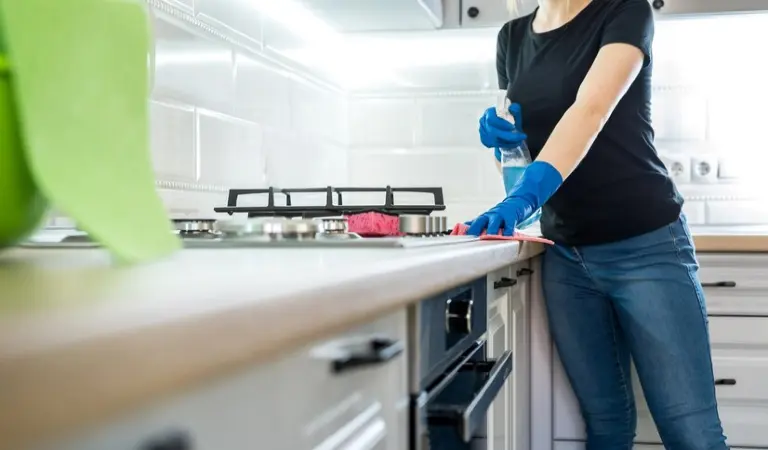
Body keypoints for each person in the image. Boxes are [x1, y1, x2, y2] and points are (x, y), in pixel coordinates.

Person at [466, 0, 729, 449]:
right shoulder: (510, 38)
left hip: (646, 244)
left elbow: (590, 111)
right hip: (566, 258)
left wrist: (522, 197)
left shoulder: (625, 11)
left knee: (692, 433)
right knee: (606, 426)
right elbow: (525, 160)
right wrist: (504, 147)